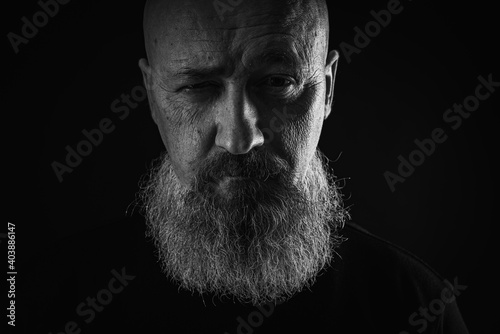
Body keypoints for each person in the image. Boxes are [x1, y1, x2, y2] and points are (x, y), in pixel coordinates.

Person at [24, 0, 469, 333]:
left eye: (277, 82)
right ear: (152, 96)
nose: (239, 138)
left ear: (327, 91)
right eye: (197, 86)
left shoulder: (418, 308)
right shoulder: (40, 299)